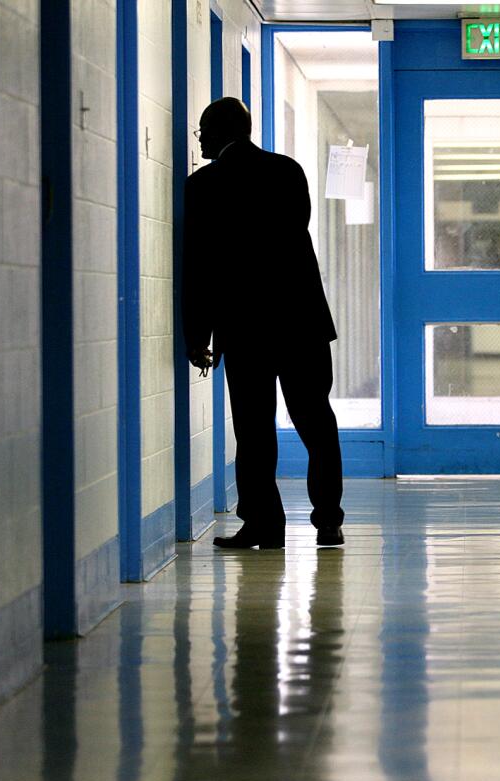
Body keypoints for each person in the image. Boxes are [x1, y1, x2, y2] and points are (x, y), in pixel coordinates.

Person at [182, 97, 344, 548]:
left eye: (202, 132)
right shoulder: (287, 171)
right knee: (316, 421)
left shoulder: (202, 186)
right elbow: (297, 231)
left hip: (245, 325)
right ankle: (328, 520)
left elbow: (199, 268)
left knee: (253, 430)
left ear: (218, 132)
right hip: (302, 321)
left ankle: (264, 525)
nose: (201, 141)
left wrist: (197, 336)